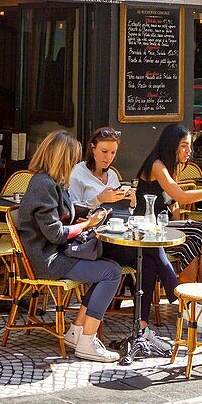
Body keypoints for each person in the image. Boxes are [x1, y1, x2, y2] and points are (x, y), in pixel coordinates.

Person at [69, 126, 178, 353]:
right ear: (92, 148)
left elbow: (122, 212)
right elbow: (71, 212)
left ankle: (143, 327)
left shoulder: (112, 175)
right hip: (93, 241)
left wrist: (129, 201)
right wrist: (99, 198)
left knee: (146, 259)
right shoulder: (78, 173)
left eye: (113, 153)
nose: (109, 158)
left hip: (115, 235)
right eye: (104, 152)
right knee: (149, 249)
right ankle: (178, 296)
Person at [17, 129, 122, 362]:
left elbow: (65, 213)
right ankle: (87, 340)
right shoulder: (43, 184)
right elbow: (55, 233)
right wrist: (86, 226)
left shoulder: (52, 181)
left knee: (109, 268)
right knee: (111, 272)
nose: (76, 163)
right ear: (62, 158)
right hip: (47, 260)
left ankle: (76, 332)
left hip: (54, 253)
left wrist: (86, 216)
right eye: (73, 158)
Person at [136, 124, 202, 289]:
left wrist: (180, 229)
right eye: (184, 146)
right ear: (171, 145)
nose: (188, 150)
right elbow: (180, 196)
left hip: (163, 226)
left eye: (190, 146)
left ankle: (201, 289)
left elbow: (173, 204)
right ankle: (196, 292)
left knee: (197, 236)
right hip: (148, 229)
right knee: (197, 231)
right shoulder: (157, 165)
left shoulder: (172, 166)